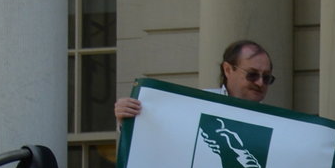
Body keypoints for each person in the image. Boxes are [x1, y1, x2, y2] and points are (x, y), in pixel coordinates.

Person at [113, 38, 272, 118]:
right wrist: (128, 116)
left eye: (266, 77)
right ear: (228, 69)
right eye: (252, 74)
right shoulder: (195, 106)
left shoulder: (278, 123)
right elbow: (158, 131)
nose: (260, 83)